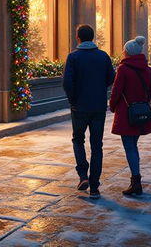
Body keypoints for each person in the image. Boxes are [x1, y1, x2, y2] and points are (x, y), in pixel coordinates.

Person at [62, 24, 115, 199]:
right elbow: (111, 78)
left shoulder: (73, 57)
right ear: (93, 38)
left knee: (78, 139)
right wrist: (99, 90)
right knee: (96, 145)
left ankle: (83, 175)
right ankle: (94, 187)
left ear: (78, 38)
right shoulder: (103, 56)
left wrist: (73, 100)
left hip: (79, 107)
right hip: (98, 106)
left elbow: (67, 83)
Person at [109, 35, 151, 197]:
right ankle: (136, 179)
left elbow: (116, 91)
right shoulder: (147, 69)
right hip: (140, 112)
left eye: (124, 50)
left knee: (129, 147)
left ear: (127, 52)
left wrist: (112, 105)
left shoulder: (123, 69)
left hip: (126, 113)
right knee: (133, 146)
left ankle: (136, 181)